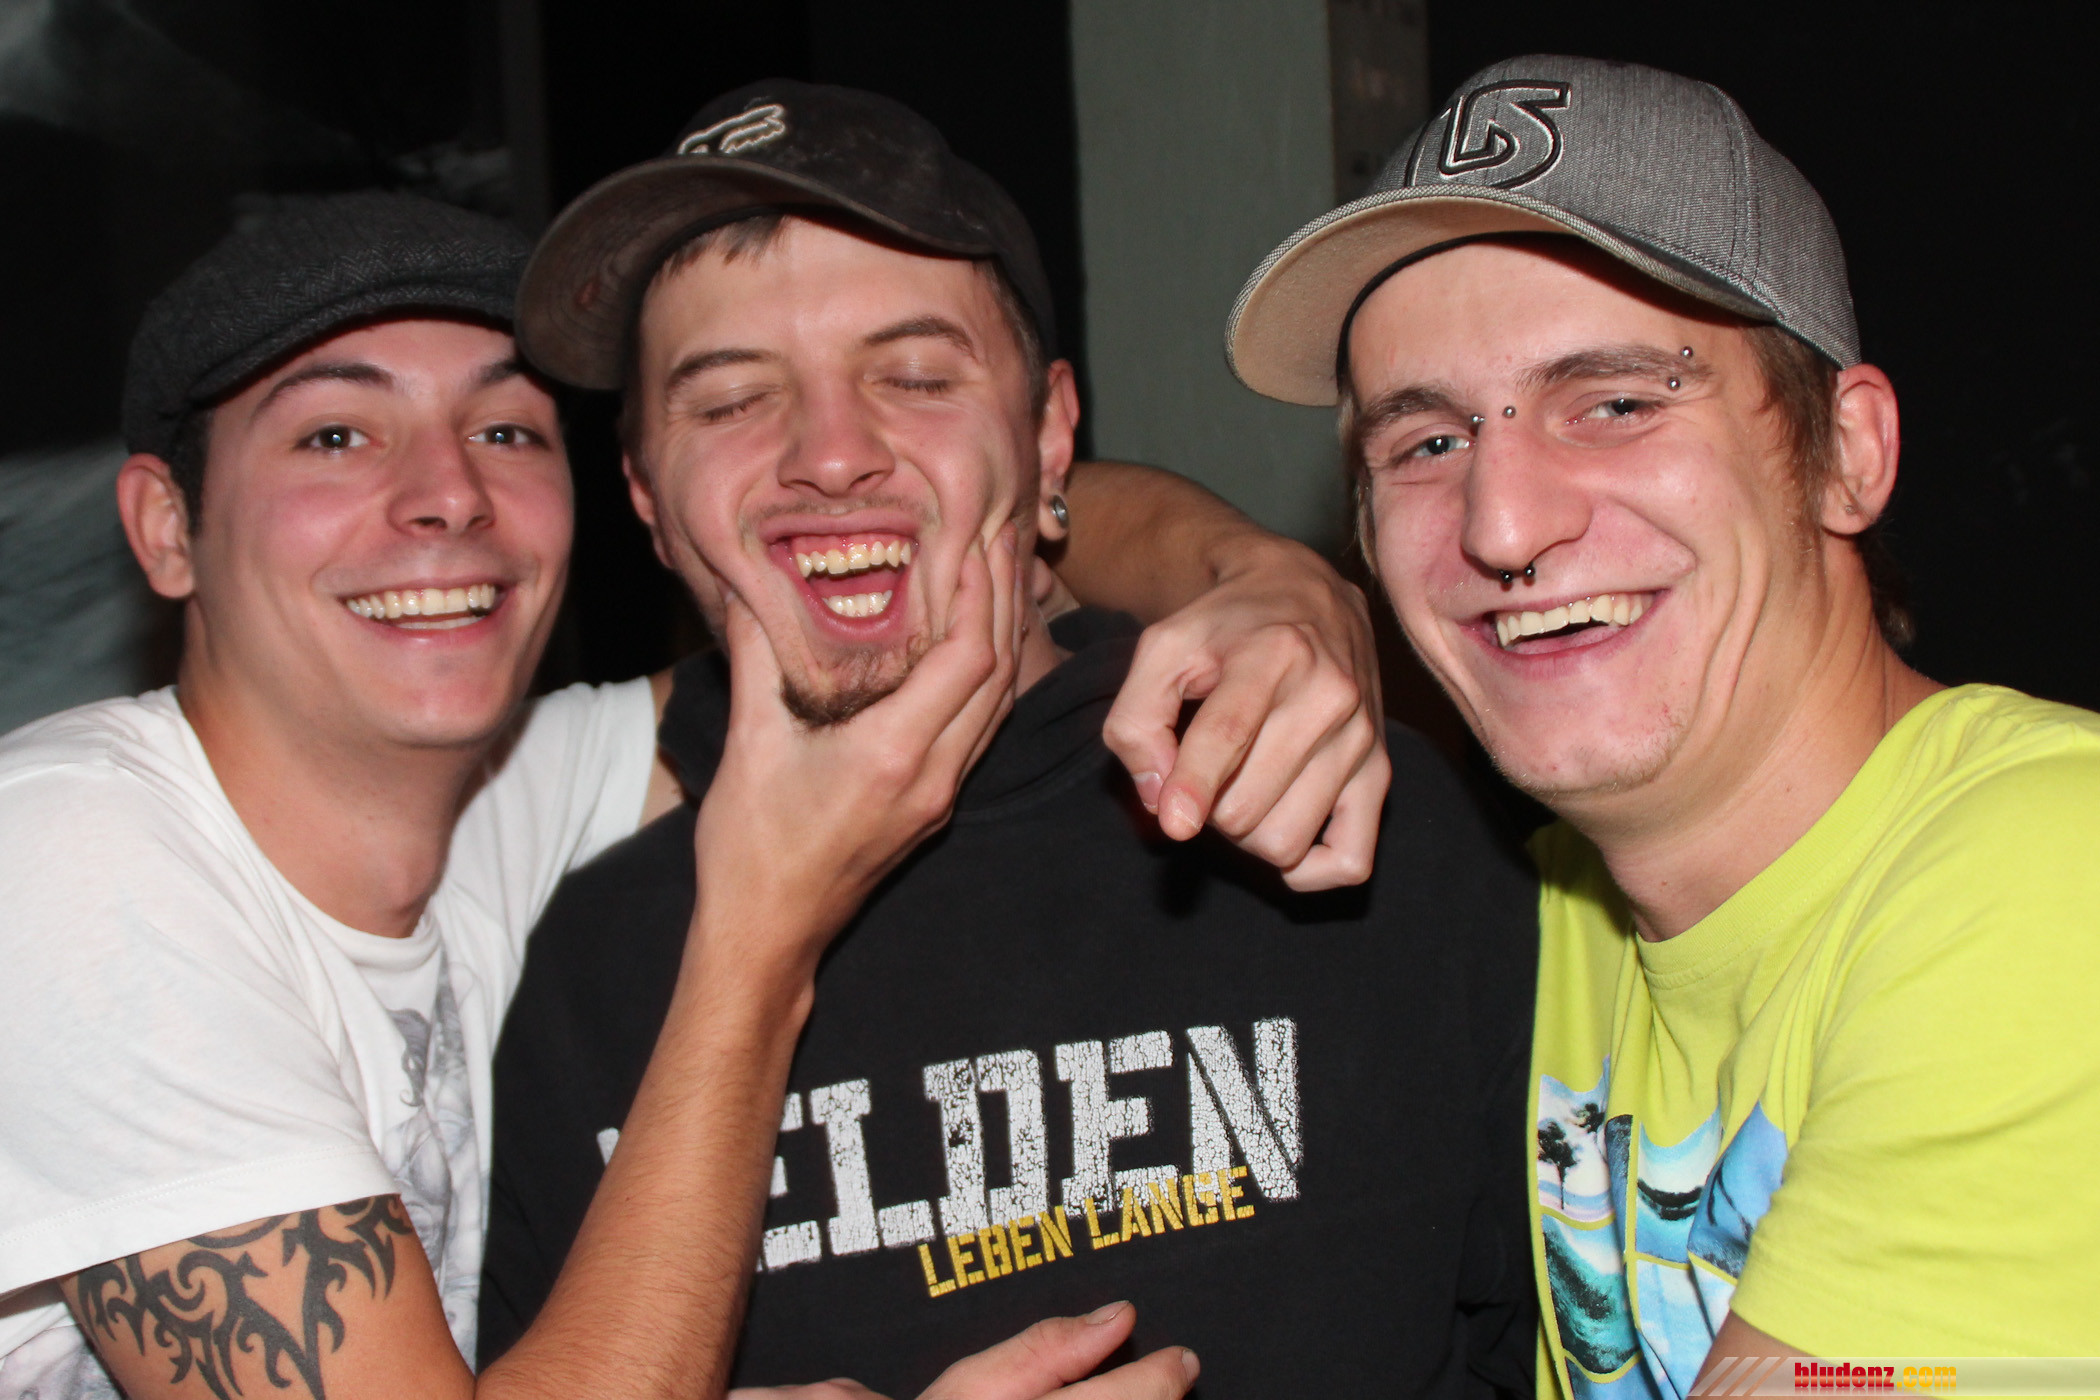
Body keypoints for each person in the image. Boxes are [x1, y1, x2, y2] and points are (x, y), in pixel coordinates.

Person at [0, 189, 1386, 1400]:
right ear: (166, 529)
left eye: (505, 428)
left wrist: (1263, 578)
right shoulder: (71, 856)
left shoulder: (506, 802)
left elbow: (931, 545)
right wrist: (758, 934)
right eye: (335, 437)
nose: (447, 496)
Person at [478, 81, 1538, 1399]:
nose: (831, 456)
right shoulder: (582, 979)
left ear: (1048, 438)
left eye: (916, 376)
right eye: (733, 399)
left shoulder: (1349, 811)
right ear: (645, 494)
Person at [1221, 52, 2100, 1394]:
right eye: (1428, 443)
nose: (1504, 525)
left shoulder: (2045, 876)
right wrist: (1241, 570)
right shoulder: (1548, 910)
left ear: (1847, 452)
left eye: (1618, 404)